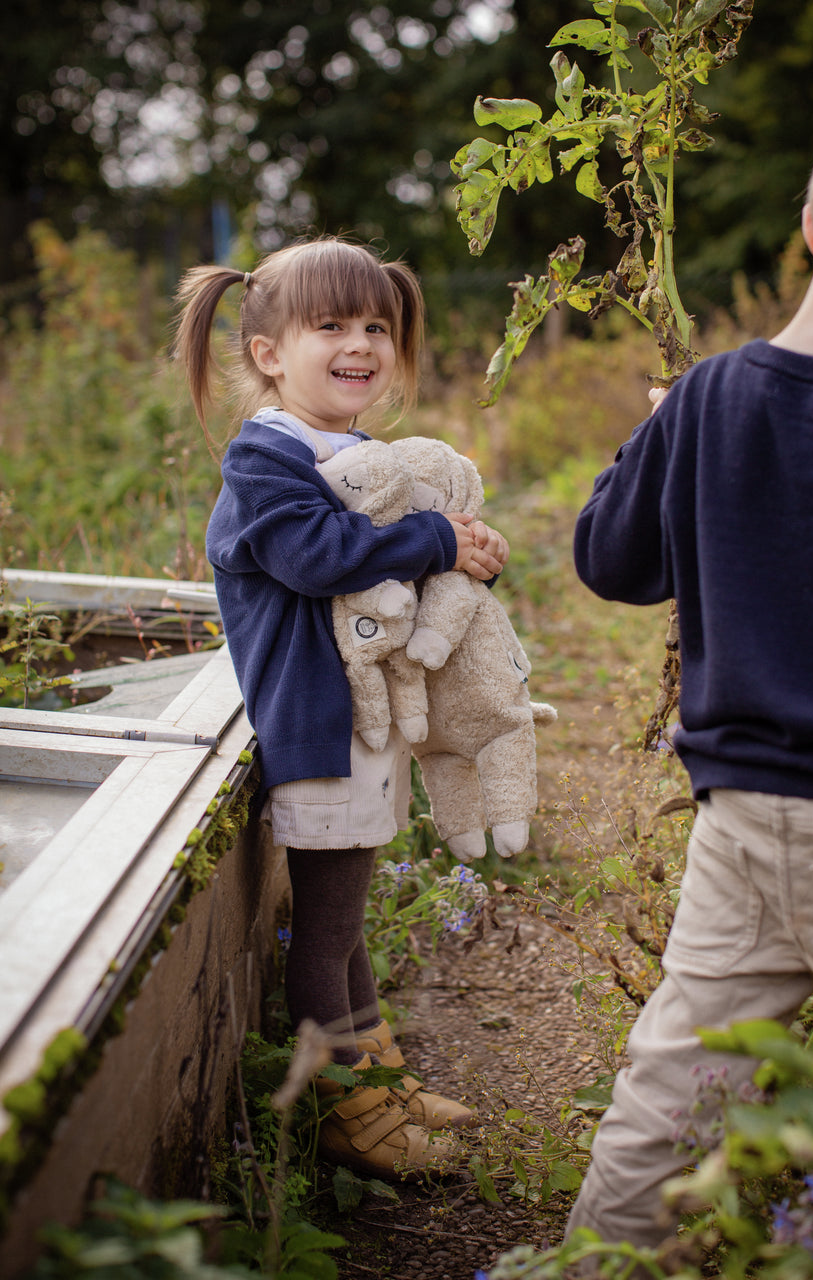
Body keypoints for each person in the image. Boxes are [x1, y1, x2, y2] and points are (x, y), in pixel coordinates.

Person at [566, 32, 813, 1258]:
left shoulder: (710, 394)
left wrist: (657, 437)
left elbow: (612, 561)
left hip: (734, 818)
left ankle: (598, 1256)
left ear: (811, 224)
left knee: (678, 1078)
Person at [173, 235, 510, 1178]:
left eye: (376, 326)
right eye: (331, 326)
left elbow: (392, 538)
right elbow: (319, 556)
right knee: (323, 935)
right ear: (268, 353)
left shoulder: (352, 450)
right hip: (316, 728)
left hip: (359, 723)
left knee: (345, 923)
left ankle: (377, 1079)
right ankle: (346, 1120)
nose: (361, 343)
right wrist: (434, 538)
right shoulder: (264, 459)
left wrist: (457, 541)